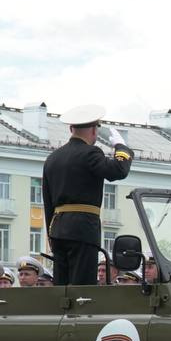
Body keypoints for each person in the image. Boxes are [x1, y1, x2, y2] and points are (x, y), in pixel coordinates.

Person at [42, 104, 133, 285]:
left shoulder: (53, 158)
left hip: (57, 230)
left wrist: (51, 235)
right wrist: (122, 148)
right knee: (82, 286)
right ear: (94, 130)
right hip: (83, 229)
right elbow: (118, 171)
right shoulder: (91, 153)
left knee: (62, 286)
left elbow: (47, 200)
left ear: (71, 129)